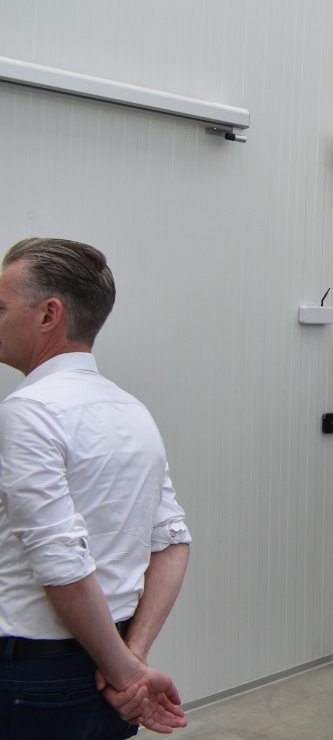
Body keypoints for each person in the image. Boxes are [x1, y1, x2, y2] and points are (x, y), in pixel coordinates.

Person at [0, 237, 191, 737]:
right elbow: (172, 541)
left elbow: (60, 561)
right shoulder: (131, 409)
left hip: (37, 679)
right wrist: (132, 658)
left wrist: (126, 671)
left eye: (0, 308)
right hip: (109, 668)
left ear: (49, 314)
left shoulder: (28, 412)